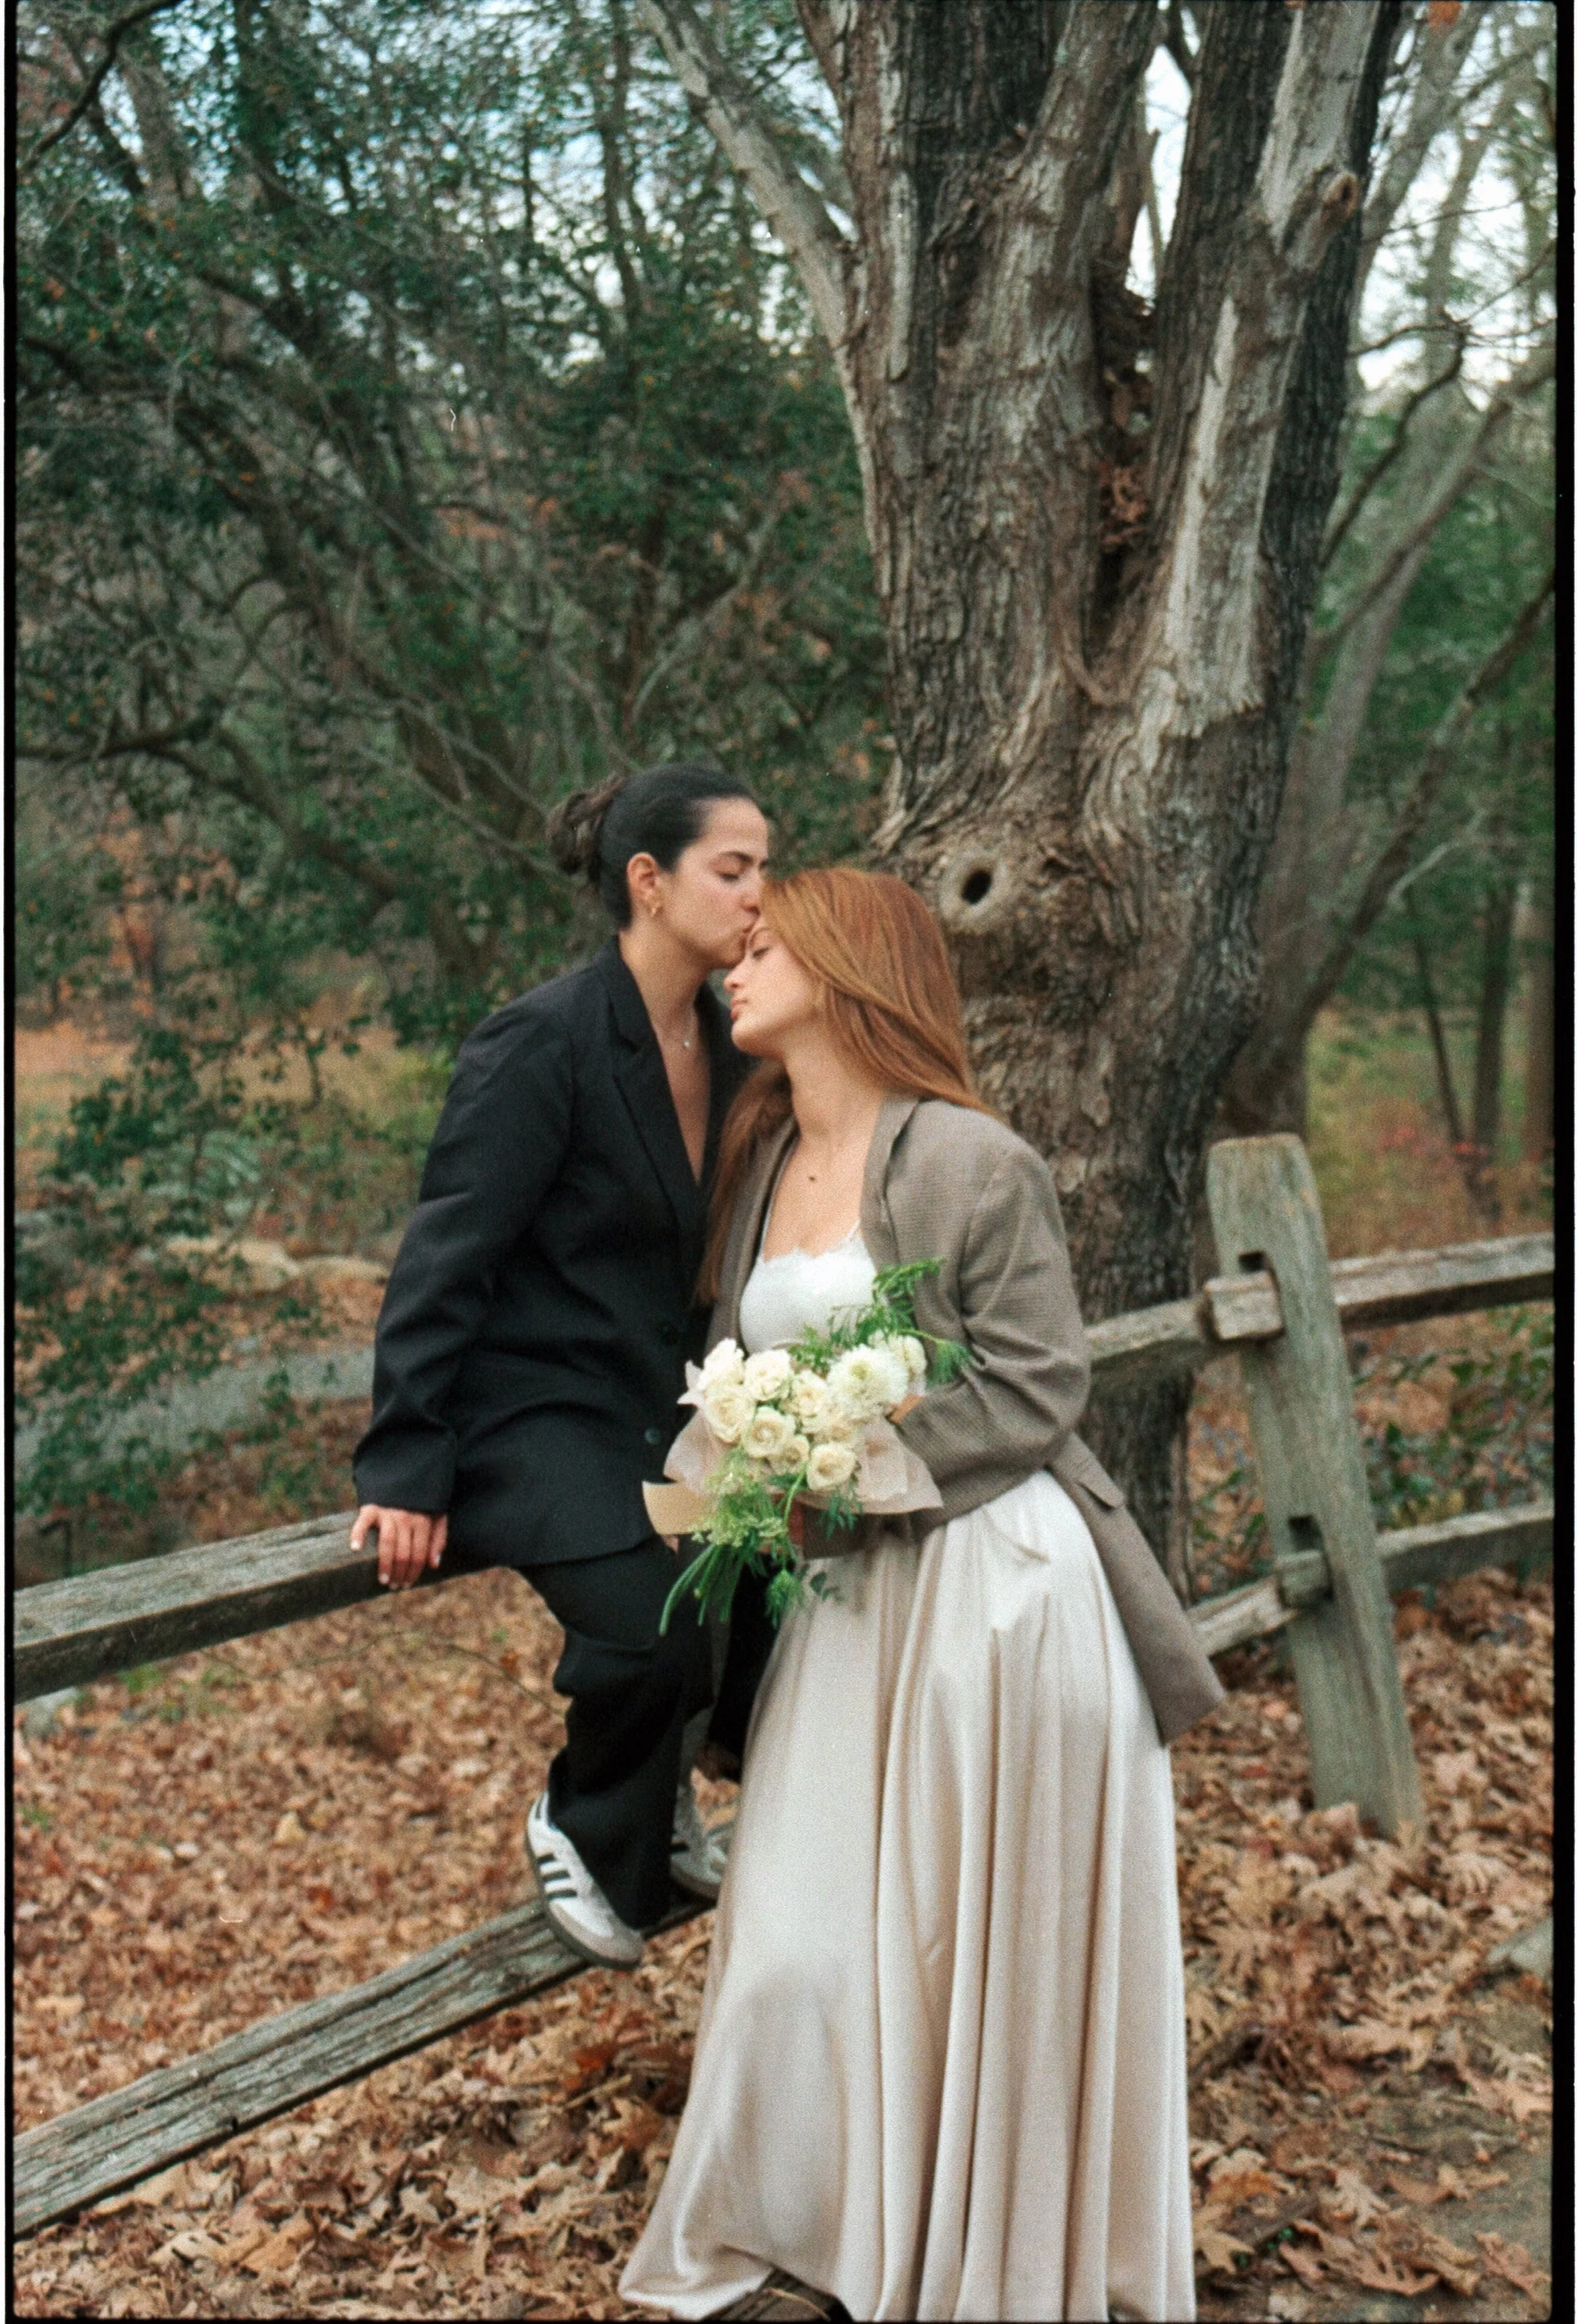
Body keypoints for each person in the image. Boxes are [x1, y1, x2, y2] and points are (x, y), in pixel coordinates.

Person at [620, 867, 1224, 2324]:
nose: (734, 969)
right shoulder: (758, 1165)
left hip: (993, 1596)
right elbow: (731, 1373)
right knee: (801, 1930)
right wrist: (737, 1479)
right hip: (846, 1606)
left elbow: (1036, 1381)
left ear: (848, 969)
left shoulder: (968, 1159)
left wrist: (847, 1467)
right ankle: (827, 2219)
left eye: (763, 948)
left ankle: (985, 2254)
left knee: (973, 1934)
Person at [351, 763, 775, 1972]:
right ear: (648, 881)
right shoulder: (539, 1043)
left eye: (764, 869)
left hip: (657, 1411)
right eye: (732, 869)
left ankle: (668, 1803)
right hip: (529, 1417)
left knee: (751, 1591)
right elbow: (446, 1260)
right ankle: (579, 1825)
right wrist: (405, 1465)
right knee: (645, 1635)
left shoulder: (738, 1040)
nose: (759, 895)